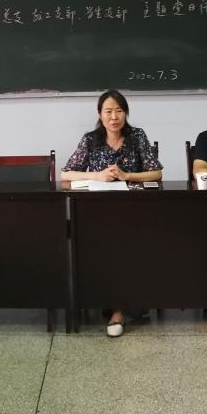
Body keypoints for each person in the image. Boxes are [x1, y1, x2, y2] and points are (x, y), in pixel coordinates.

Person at [61, 89, 162, 337]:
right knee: (100, 243)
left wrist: (127, 175)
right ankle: (106, 300)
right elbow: (66, 173)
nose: (114, 117)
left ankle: (119, 309)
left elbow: (156, 173)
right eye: (108, 111)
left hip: (133, 211)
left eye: (119, 111)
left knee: (125, 244)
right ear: (100, 114)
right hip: (98, 211)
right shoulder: (90, 140)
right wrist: (96, 176)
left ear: (126, 113)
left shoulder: (137, 136)